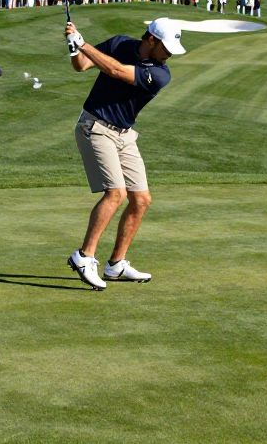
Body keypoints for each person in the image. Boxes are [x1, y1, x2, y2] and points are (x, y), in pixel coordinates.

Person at [63, 16, 185, 290]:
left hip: (125, 135)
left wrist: (83, 42)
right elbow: (81, 65)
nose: (168, 55)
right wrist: (74, 46)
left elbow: (117, 71)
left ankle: (116, 265)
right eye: (165, 48)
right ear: (150, 40)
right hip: (94, 126)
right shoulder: (119, 43)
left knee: (141, 199)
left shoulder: (161, 73)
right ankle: (84, 257)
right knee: (116, 193)